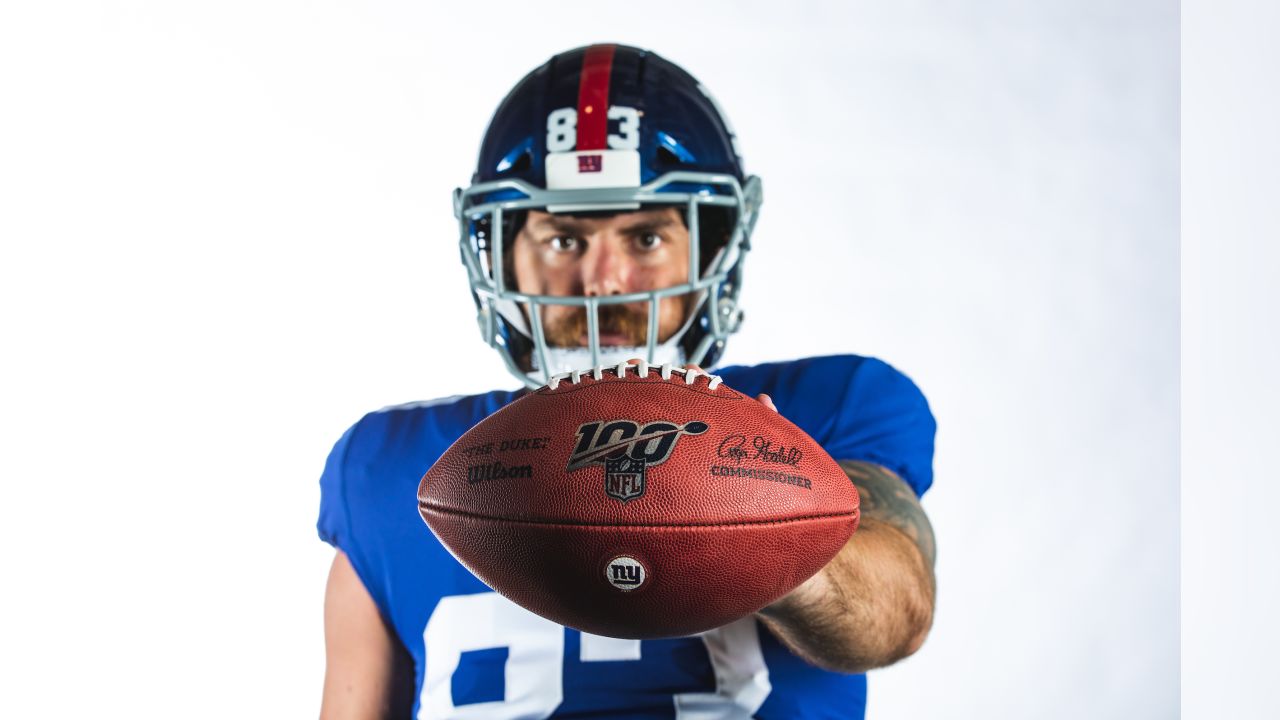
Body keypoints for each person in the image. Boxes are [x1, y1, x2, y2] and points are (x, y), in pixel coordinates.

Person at [318, 44, 938, 719]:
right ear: (501, 256)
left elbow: (897, 613)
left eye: (644, 237)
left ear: (711, 246)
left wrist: (760, 518)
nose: (604, 280)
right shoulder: (387, 464)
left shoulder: (830, 406)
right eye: (562, 239)